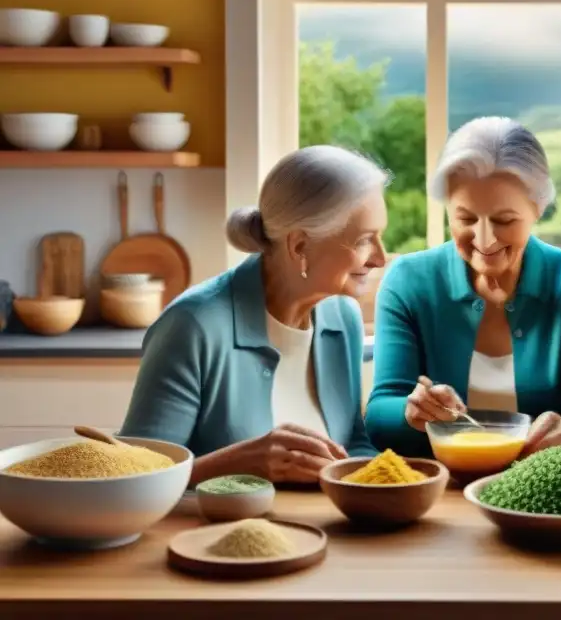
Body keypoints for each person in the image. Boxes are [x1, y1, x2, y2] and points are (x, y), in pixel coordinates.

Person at [120, 145, 388, 485]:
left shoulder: (341, 316)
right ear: (299, 246)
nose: (380, 257)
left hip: (330, 531)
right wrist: (239, 462)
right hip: (213, 534)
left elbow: (353, 442)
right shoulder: (192, 327)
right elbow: (136, 476)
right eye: (365, 240)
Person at [365, 116, 561, 459]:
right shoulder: (407, 282)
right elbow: (380, 411)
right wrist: (410, 412)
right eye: (466, 219)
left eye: (504, 220)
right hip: (442, 493)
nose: (485, 239)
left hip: (543, 499)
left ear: (538, 207)